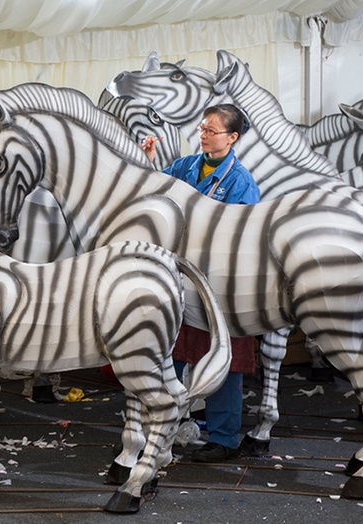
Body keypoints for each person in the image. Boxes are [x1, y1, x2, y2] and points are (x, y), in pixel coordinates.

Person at [141, 104, 260, 462]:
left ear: (232, 137)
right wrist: (147, 160)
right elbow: (153, 190)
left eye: (212, 130)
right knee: (171, 353)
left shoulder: (241, 181)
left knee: (224, 357)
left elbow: (245, 234)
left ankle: (224, 439)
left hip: (220, 283)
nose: (204, 134)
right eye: (202, 128)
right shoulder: (185, 166)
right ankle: (159, 429)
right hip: (181, 276)